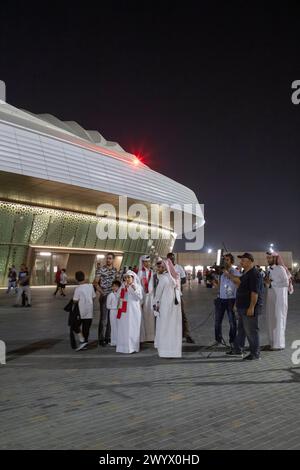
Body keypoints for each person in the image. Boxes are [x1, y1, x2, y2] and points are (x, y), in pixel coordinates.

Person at [225, 253, 263, 360]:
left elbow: (255, 292)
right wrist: (227, 274)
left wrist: (251, 307)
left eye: (244, 260)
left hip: (249, 307)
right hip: (242, 306)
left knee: (251, 331)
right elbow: (238, 281)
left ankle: (255, 354)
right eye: (241, 260)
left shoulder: (254, 274)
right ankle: (238, 349)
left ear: (250, 261)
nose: (241, 262)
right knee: (241, 329)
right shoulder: (246, 273)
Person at [154, 259, 182, 358]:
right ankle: (174, 351)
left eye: (161, 267)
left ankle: (164, 351)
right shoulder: (175, 278)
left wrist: (155, 307)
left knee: (164, 328)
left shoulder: (164, 279)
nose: (159, 269)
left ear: (165, 268)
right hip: (175, 309)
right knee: (174, 329)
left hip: (165, 308)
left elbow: (157, 295)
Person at [213, 254, 240, 348]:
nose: (225, 261)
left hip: (231, 300)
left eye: (227, 260)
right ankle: (218, 339)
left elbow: (238, 283)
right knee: (217, 322)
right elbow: (220, 286)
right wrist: (215, 283)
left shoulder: (235, 271)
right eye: (224, 260)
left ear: (232, 261)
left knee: (232, 322)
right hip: (220, 299)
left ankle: (232, 341)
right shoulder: (221, 273)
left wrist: (236, 303)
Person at [264, 252, 290, 351]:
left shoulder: (280, 269)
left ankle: (279, 344)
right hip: (271, 297)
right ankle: (271, 343)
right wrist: (267, 283)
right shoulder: (269, 270)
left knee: (279, 319)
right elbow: (268, 284)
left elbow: (286, 282)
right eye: (267, 258)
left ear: (275, 258)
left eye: (270, 258)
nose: (268, 259)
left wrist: (272, 283)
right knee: (271, 319)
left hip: (279, 298)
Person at [167, 253, 194, 344]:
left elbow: (184, 280)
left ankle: (187, 335)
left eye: (172, 258)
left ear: (174, 259)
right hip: (167, 295)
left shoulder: (179, 267)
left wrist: (175, 280)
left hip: (178, 294)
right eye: (169, 259)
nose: (171, 260)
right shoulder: (165, 268)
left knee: (182, 314)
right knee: (168, 314)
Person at [116, 270, 143, 354]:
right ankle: (123, 347)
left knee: (133, 328)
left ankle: (133, 347)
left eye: (129, 277)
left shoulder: (137, 286)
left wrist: (133, 288)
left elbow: (139, 297)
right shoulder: (123, 286)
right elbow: (118, 295)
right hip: (124, 311)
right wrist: (124, 289)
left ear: (133, 278)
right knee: (124, 328)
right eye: (126, 277)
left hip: (134, 311)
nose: (127, 279)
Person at [94, 252, 117, 346]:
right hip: (104, 296)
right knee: (103, 319)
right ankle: (101, 338)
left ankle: (108, 337)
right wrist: (102, 293)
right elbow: (95, 283)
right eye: (107, 258)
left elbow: (117, 283)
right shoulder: (101, 270)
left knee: (111, 318)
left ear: (113, 260)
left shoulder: (115, 270)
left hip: (113, 297)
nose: (108, 260)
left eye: (110, 258)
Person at [73, 270, 96, 351]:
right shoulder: (90, 286)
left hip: (81, 310)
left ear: (76, 279)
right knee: (86, 328)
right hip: (89, 309)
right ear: (84, 277)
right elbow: (93, 297)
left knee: (75, 325)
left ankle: (82, 340)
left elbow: (75, 300)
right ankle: (85, 343)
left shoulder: (78, 288)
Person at [138, 255, 155, 342]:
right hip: (143, 296)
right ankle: (144, 336)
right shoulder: (140, 273)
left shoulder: (152, 272)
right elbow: (138, 286)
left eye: (148, 261)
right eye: (145, 261)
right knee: (143, 316)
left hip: (151, 297)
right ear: (142, 262)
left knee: (151, 315)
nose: (147, 263)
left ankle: (151, 336)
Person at [106, 279, 121, 346]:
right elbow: (108, 306)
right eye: (113, 286)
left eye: (116, 286)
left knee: (119, 326)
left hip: (119, 312)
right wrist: (115, 307)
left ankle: (119, 341)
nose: (115, 287)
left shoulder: (120, 295)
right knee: (113, 326)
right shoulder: (110, 295)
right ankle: (114, 341)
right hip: (113, 312)